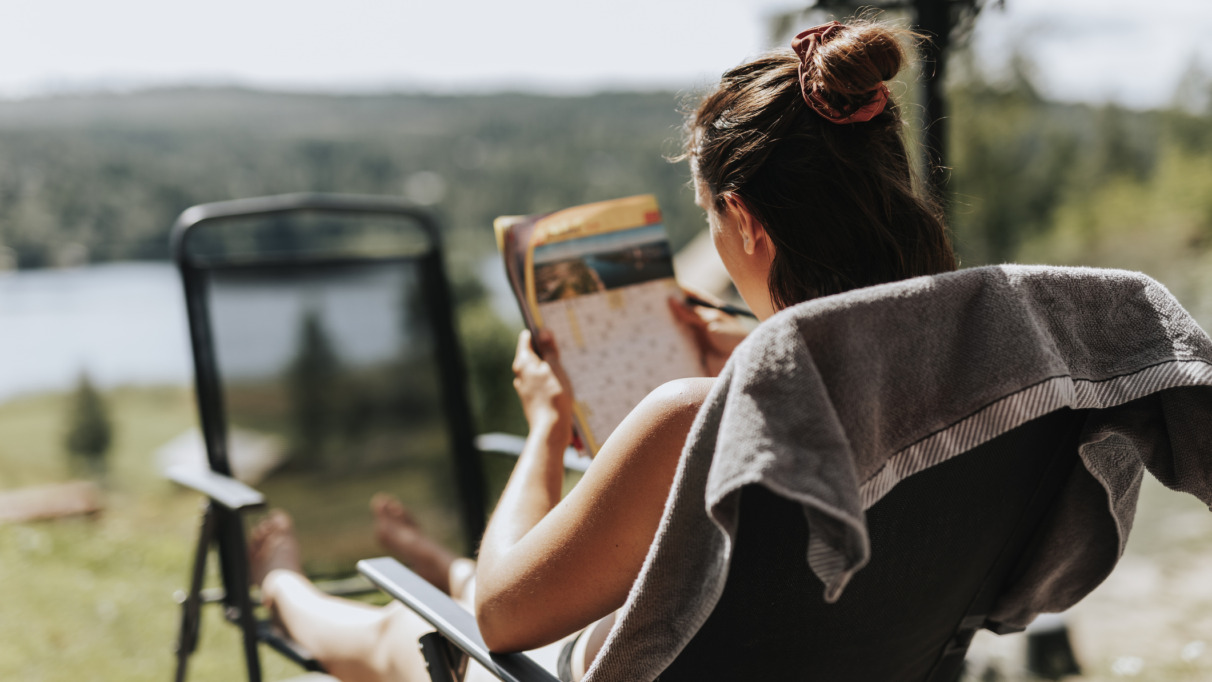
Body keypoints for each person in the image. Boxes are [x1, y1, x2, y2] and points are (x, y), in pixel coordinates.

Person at [249, 17, 957, 682]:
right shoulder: (955, 378)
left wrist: (548, 425)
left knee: (408, 628)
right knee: (504, 587)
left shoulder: (695, 421)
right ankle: (444, 565)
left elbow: (500, 619)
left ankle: (281, 586)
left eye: (708, 213)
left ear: (742, 219)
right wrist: (756, 353)